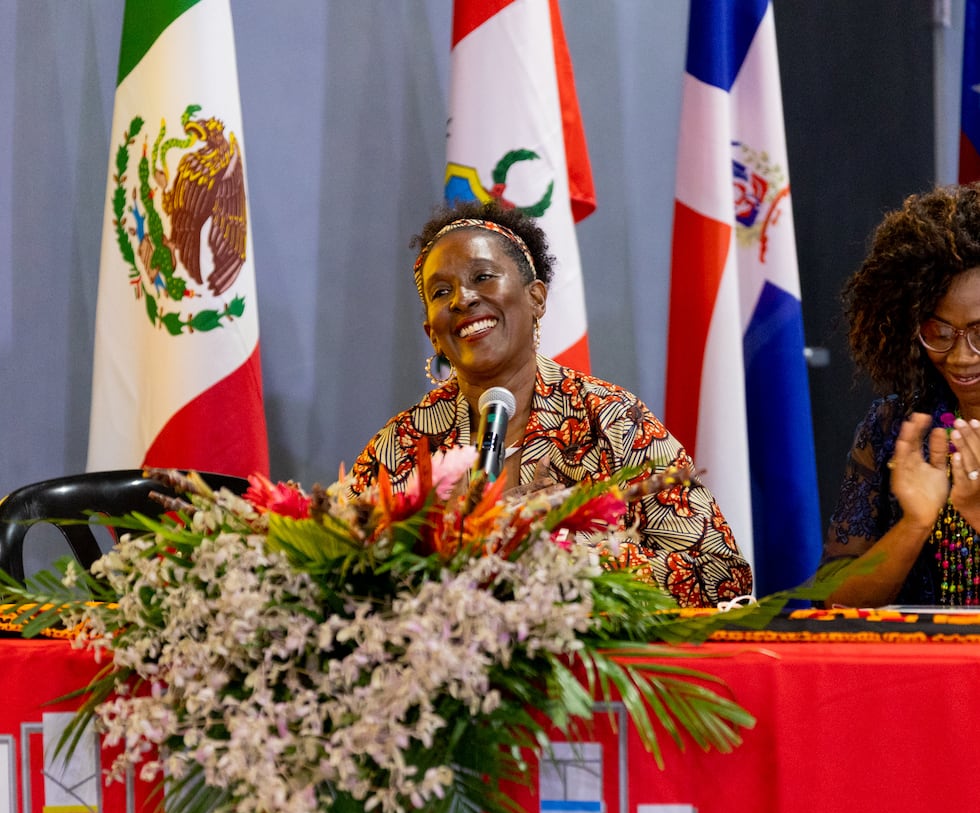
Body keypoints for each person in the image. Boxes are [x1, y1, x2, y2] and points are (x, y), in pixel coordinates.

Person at [348, 200, 752, 608]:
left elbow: (721, 574)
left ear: (537, 298)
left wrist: (559, 557)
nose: (462, 299)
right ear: (432, 334)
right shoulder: (402, 446)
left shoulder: (610, 419)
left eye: (482, 277)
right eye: (441, 292)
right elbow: (337, 580)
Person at [822, 182, 980, 607]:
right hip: (913, 671)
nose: (961, 357)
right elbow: (835, 604)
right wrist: (914, 524)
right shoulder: (895, 428)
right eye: (940, 332)